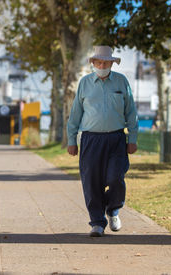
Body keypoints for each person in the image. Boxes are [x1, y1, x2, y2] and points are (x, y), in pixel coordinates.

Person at [67, 46, 138, 237]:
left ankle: (113, 209)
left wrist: (133, 138)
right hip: (91, 139)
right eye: (98, 62)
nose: (102, 65)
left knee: (116, 178)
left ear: (112, 64)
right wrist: (71, 140)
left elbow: (130, 112)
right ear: (92, 63)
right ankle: (97, 222)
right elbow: (75, 114)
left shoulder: (121, 82)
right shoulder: (84, 83)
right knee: (91, 182)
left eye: (106, 62)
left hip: (116, 138)